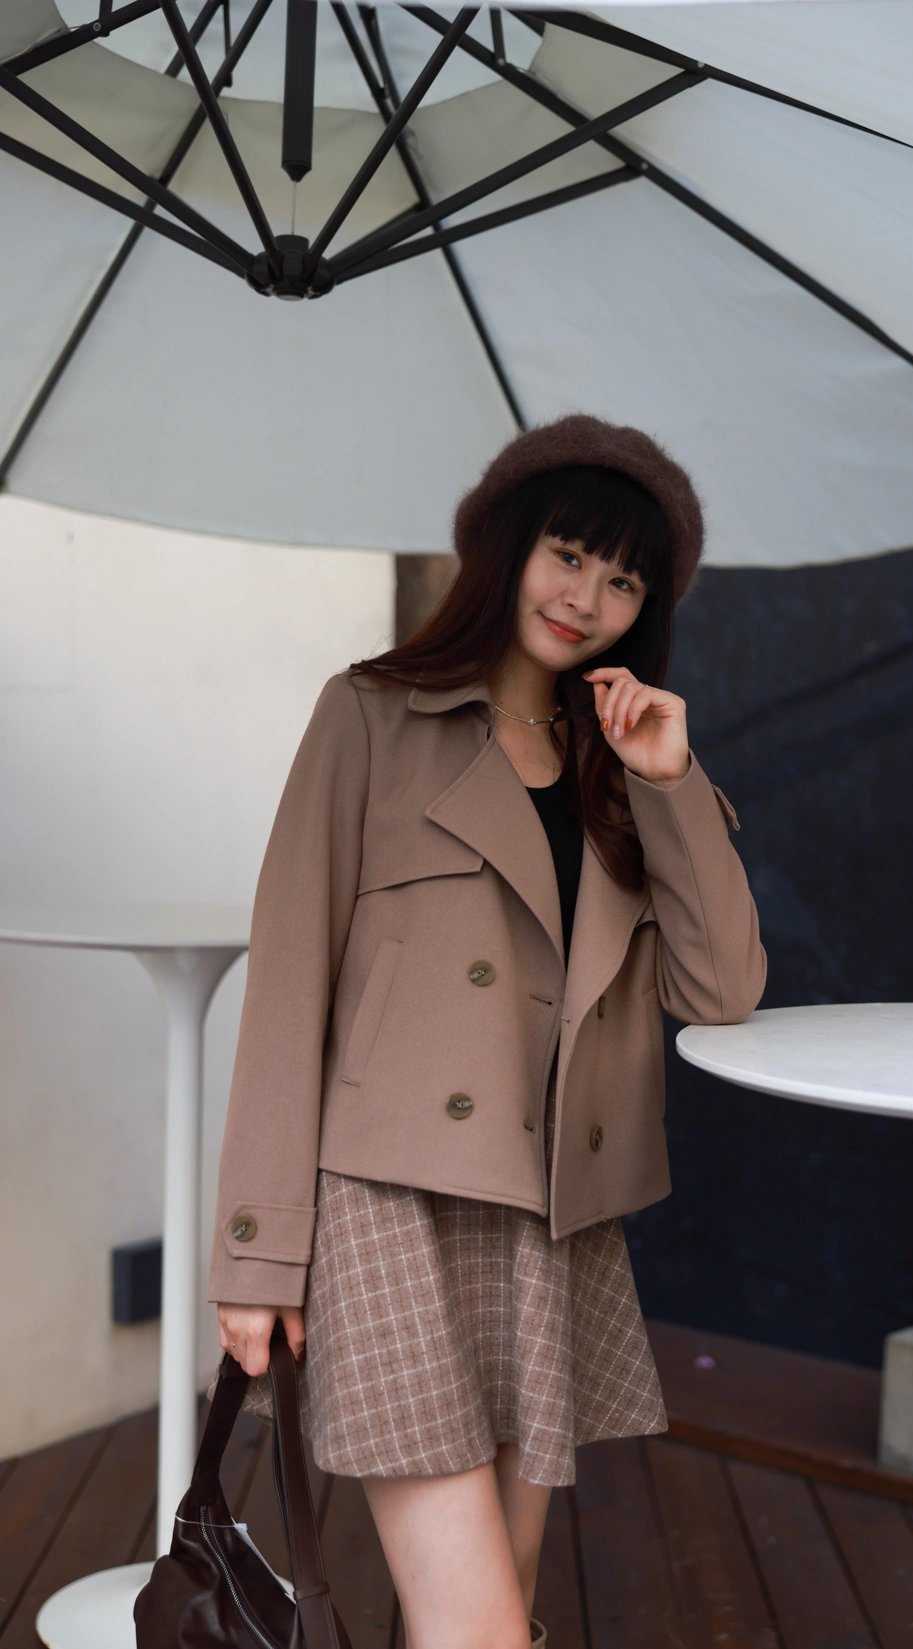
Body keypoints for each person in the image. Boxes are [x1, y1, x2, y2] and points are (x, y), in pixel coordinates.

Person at [209, 413, 766, 1649]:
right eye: (568, 554)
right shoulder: (369, 715)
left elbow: (720, 986)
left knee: (489, 1604)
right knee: (481, 1625)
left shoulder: (624, 764)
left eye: (623, 580)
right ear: (507, 547)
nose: (586, 598)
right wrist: (254, 1254)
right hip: (385, 1203)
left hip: (550, 1215)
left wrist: (667, 782)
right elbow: (286, 988)